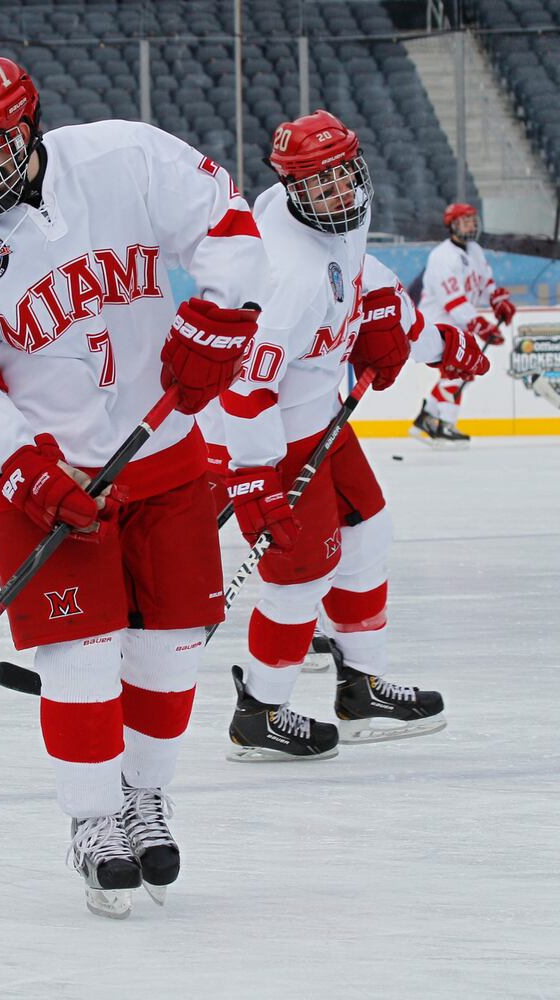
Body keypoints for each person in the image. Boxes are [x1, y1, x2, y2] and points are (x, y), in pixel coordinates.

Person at [0, 58, 270, 916]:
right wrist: (23, 464)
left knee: (170, 650)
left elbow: (227, 224)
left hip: (167, 452)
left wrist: (220, 313)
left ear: (27, 129)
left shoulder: (122, 159)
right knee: (84, 658)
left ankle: (144, 799)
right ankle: (94, 819)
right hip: (49, 479)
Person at [202, 111, 491, 761]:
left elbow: (358, 272)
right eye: (319, 183)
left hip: (318, 414)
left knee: (368, 532)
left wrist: (405, 320)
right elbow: (244, 390)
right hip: (270, 435)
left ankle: (360, 688)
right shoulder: (282, 275)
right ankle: (261, 712)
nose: (338, 193)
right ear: (290, 188)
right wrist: (251, 475)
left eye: (344, 176)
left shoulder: (348, 214)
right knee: (299, 575)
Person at [410, 203, 512, 443]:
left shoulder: (474, 250)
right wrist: (478, 323)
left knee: (459, 370)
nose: (472, 224)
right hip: (437, 324)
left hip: (457, 322)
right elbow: (451, 299)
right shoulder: (442, 256)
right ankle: (443, 423)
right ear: (453, 225)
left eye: (473, 220)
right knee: (457, 370)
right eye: (466, 220)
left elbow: (485, 284)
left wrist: (498, 300)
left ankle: (426, 419)